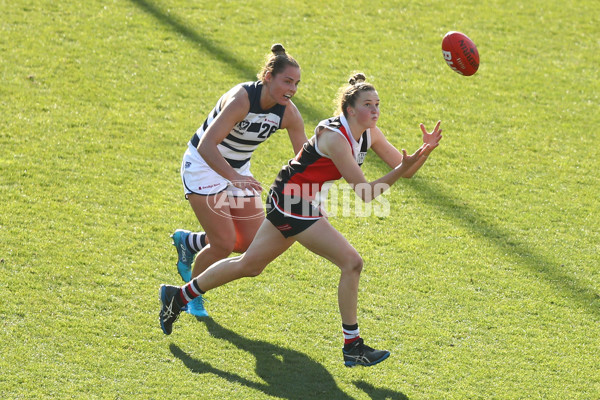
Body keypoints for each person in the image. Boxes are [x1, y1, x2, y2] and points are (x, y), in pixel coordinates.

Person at [160, 73, 443, 367]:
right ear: (350, 109)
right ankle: (353, 346)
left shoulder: (370, 133)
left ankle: (177, 296)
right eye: (368, 105)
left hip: (299, 199)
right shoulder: (335, 137)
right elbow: (366, 193)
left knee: (250, 265)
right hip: (293, 201)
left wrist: (424, 152)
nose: (375, 111)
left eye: (377, 104)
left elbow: (405, 169)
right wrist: (403, 168)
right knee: (352, 262)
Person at [171, 44, 307, 317]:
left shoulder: (288, 113)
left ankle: (190, 242)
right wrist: (234, 178)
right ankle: (191, 295)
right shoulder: (242, 99)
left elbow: (304, 160)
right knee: (223, 244)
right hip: (203, 166)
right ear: (268, 76)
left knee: (248, 242)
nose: (292, 89)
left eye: (296, 84)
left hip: (237, 171)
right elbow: (207, 146)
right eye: (287, 81)